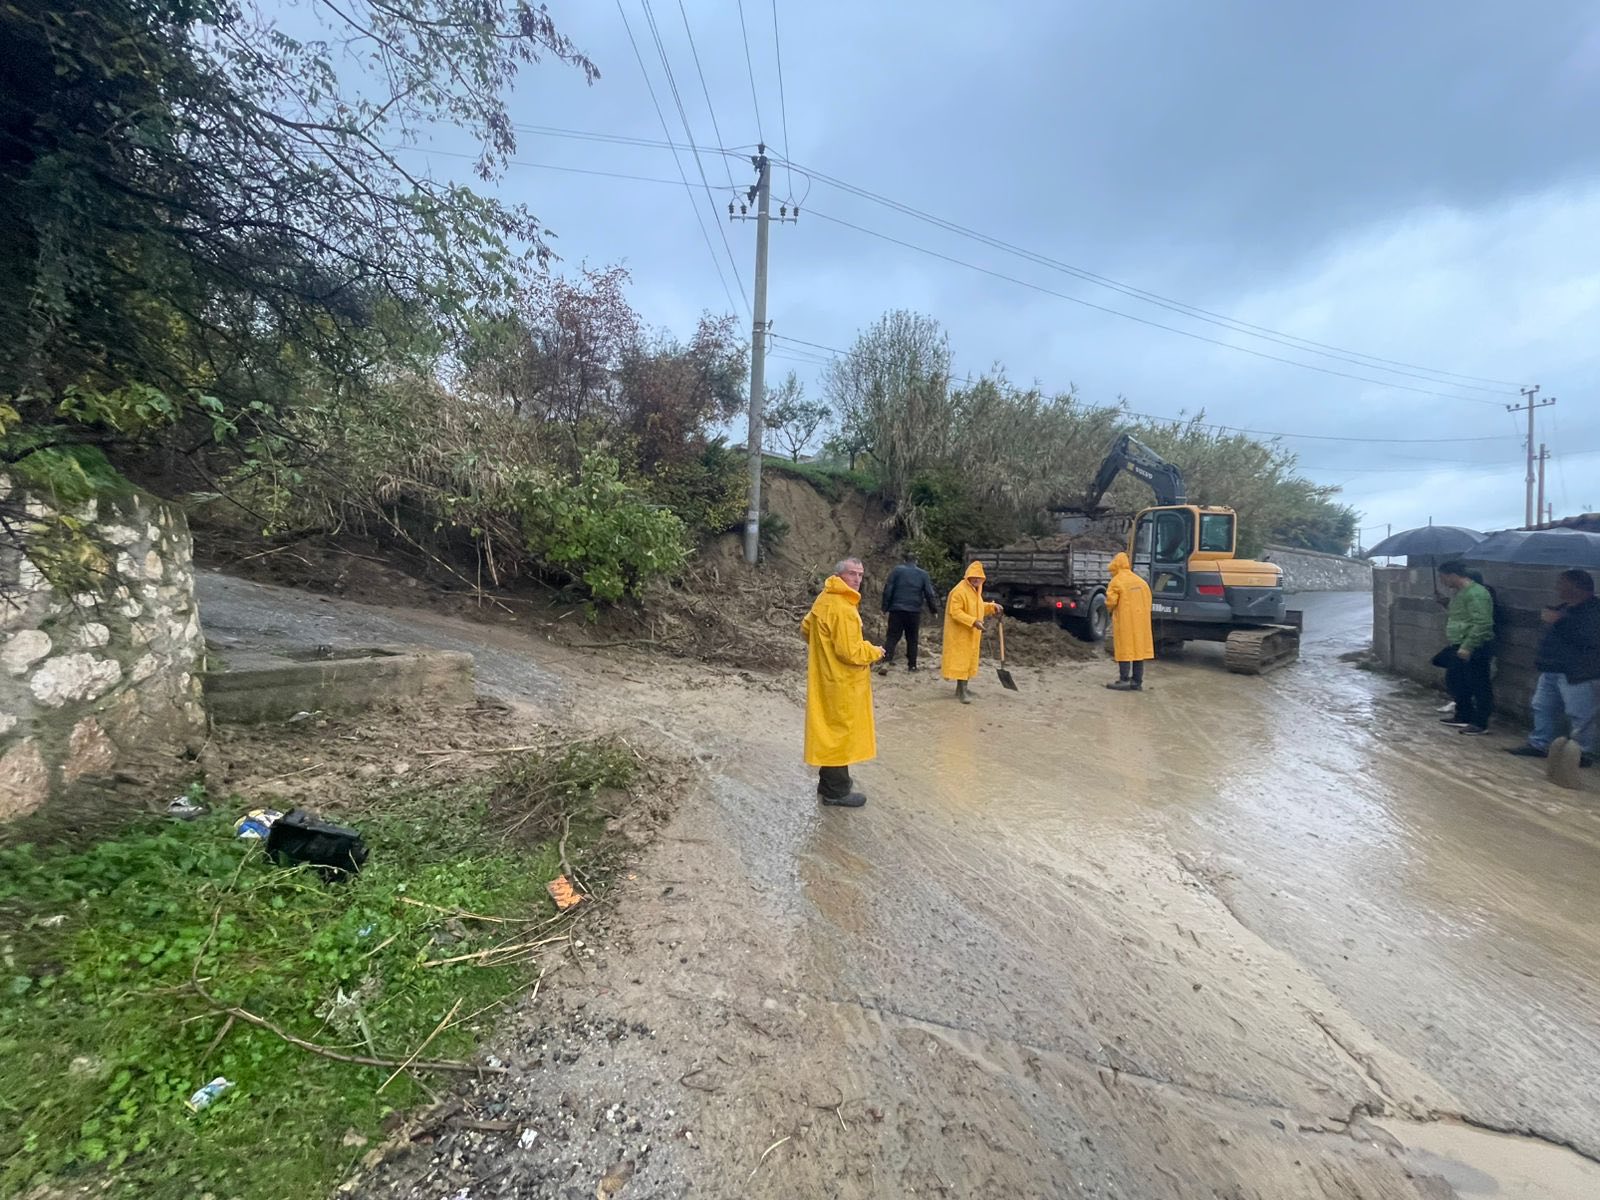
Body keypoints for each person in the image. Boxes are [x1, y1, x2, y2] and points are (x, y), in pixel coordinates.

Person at [800, 557, 885, 807]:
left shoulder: (825, 598)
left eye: (860, 575)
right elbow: (850, 652)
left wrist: (822, 650)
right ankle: (836, 792)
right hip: (841, 682)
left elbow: (806, 628)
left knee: (829, 729)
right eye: (852, 574)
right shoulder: (842, 607)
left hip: (826, 677)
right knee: (839, 732)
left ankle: (828, 782)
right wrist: (874, 651)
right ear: (839, 575)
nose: (857, 579)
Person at [1506, 568, 1600, 768]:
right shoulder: (1565, 607)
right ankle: (1540, 743)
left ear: (1576, 587)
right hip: (1552, 668)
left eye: (1561, 583)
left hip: (1579, 672)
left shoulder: (1594, 610)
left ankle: (1581, 753)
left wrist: (1559, 621)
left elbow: (1590, 639)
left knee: (1580, 714)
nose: (1556, 587)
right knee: (1542, 706)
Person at [1436, 560, 1495, 734]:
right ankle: (1463, 714)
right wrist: (1445, 603)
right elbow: (1462, 616)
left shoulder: (1476, 594)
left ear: (1453, 575)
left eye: (1443, 577)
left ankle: (1480, 722)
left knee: (1479, 684)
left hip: (1475, 646)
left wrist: (1468, 646)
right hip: (1459, 644)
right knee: (1456, 681)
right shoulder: (1460, 593)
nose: (1442, 581)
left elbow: (1483, 622)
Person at [941, 560, 1001, 704]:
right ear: (968, 577)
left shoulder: (974, 591)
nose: (976, 580)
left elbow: (978, 607)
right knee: (961, 660)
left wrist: (992, 607)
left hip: (971, 634)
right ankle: (962, 691)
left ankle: (963, 689)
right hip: (959, 634)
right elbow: (955, 612)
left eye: (979, 578)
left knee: (968, 660)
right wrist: (973, 621)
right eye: (974, 577)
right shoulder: (959, 591)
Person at [878, 552, 939, 674]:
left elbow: (888, 589)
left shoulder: (897, 571)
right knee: (912, 638)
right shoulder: (923, 574)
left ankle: (886, 662)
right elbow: (929, 593)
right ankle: (912, 666)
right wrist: (934, 610)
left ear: (905, 560)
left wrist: (885, 607)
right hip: (913, 611)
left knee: (892, 636)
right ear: (916, 561)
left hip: (896, 610)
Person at [1104, 552, 1154, 691]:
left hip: (1125, 620)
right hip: (1141, 622)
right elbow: (1149, 600)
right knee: (1139, 650)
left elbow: (1111, 602)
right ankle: (1137, 682)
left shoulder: (1117, 581)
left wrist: (1110, 610)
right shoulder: (1141, 581)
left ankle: (1124, 679)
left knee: (1124, 648)